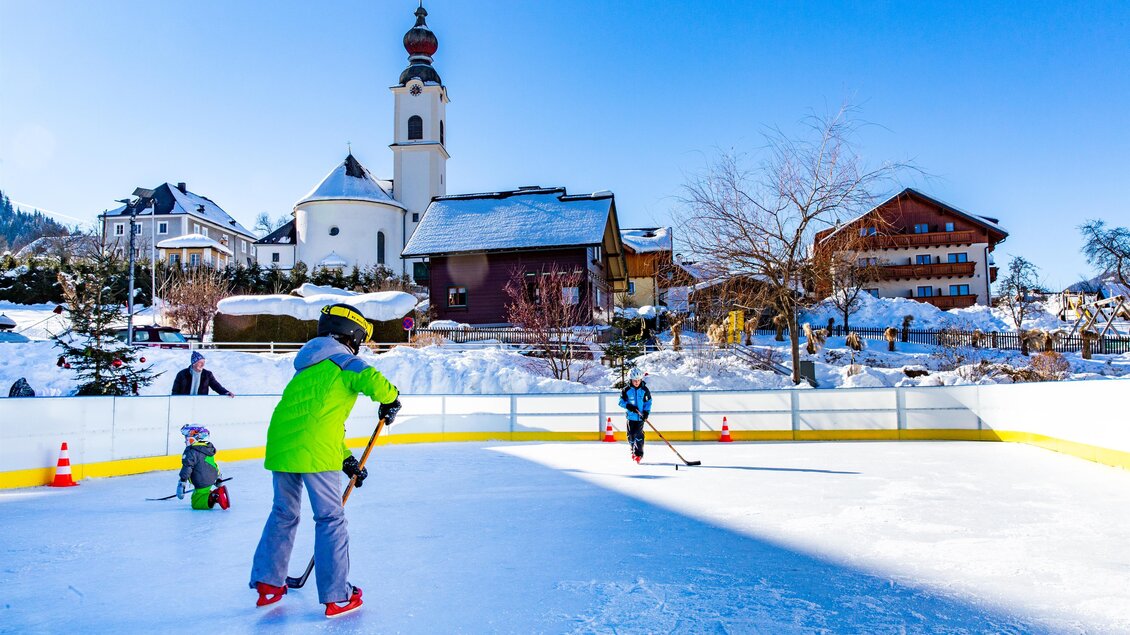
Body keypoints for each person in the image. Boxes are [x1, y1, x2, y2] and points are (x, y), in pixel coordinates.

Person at [249, 303, 402, 619]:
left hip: (283, 446)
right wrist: (391, 398)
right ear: (353, 335)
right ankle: (338, 596)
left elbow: (318, 422)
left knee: (283, 514)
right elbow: (373, 380)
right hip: (315, 451)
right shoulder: (345, 360)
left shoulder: (308, 366)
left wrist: (346, 461)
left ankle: (269, 584)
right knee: (330, 519)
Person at [177, 425, 230, 510]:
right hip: (211, 477)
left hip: (201, 479)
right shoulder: (207, 448)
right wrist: (219, 477)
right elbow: (213, 464)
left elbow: (187, 467)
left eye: (188, 436)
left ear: (197, 437)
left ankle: (215, 496)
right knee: (200, 493)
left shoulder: (191, 451)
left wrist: (182, 483)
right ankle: (212, 494)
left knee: (196, 502)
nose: (186, 439)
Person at [618, 367, 652, 463]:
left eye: (638, 380)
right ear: (630, 380)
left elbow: (648, 402)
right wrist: (628, 406)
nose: (636, 382)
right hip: (630, 417)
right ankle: (633, 450)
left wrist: (646, 413)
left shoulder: (645, 390)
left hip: (640, 417)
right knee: (631, 435)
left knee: (638, 435)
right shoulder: (626, 390)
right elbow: (620, 402)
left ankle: (638, 454)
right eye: (634, 380)